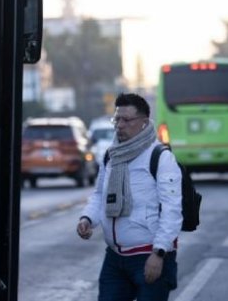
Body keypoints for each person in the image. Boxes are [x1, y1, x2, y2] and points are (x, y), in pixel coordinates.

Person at [76, 93, 182, 301]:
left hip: (148, 256)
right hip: (115, 258)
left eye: (127, 120)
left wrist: (159, 253)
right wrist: (87, 218)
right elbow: (100, 196)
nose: (120, 125)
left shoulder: (160, 157)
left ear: (143, 122)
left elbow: (172, 210)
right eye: (117, 119)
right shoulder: (111, 155)